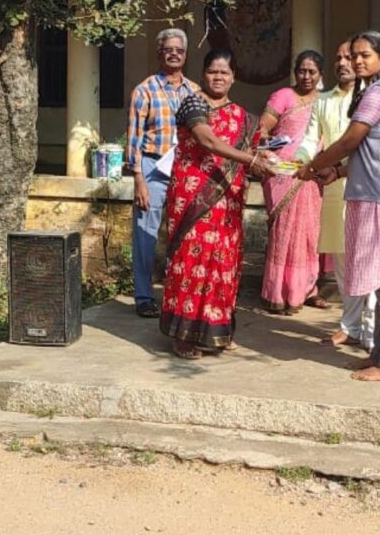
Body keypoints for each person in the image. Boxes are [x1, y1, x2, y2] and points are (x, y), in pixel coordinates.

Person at [300, 31, 380, 381]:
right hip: (372, 194)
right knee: (379, 281)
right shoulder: (371, 91)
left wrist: (313, 166)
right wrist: (338, 171)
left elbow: (350, 140)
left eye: (365, 55)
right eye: (354, 54)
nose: (357, 61)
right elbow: (369, 151)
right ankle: (379, 356)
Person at [159, 49, 276, 360]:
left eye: (224, 72)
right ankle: (183, 336)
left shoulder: (244, 118)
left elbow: (253, 154)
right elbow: (207, 141)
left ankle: (216, 330)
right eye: (213, 71)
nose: (218, 77)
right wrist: (251, 159)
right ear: (203, 74)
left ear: (233, 77)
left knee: (222, 263)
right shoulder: (193, 104)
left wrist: (266, 159)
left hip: (228, 200)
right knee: (191, 262)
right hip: (193, 196)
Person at [296, 41, 377, 349]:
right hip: (334, 189)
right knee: (342, 261)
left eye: (349, 57)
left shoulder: (372, 98)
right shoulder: (324, 101)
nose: (343, 63)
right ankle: (350, 326)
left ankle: (371, 331)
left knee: (366, 261)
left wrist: (318, 165)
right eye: (339, 57)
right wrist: (299, 161)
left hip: (365, 188)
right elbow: (310, 139)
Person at [126, 29, 199, 319]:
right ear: (159, 53)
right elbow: (135, 136)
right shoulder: (144, 90)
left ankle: (177, 295)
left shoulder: (195, 91)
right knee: (146, 233)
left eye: (179, 50)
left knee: (184, 233)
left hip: (184, 169)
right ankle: (144, 296)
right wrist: (138, 179)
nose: (174, 54)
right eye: (169, 49)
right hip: (152, 168)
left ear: (185, 55)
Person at [257, 50, 329, 314]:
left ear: (320, 74)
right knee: (284, 233)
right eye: (302, 71)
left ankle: (307, 289)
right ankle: (278, 291)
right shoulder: (283, 96)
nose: (306, 76)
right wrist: (269, 152)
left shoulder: (325, 101)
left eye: (312, 72)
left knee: (310, 234)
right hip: (283, 173)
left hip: (312, 173)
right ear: (295, 72)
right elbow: (262, 130)